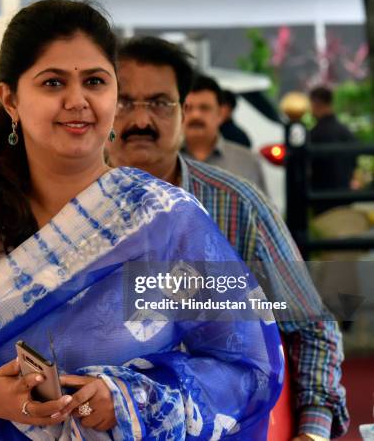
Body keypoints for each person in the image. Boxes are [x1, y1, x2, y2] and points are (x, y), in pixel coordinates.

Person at [0, 0, 283, 440]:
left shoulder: (166, 225)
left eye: (95, 81)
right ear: (10, 99)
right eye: (53, 82)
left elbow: (246, 368)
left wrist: (134, 399)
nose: (77, 101)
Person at [106, 36, 348, 441]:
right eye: (125, 102)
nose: (142, 120)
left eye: (161, 103)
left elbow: (310, 327)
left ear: (184, 111)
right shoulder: (68, 210)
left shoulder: (239, 206)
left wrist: (314, 432)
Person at [183, 75, 268, 194]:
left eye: (204, 108)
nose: (196, 115)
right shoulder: (164, 160)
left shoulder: (247, 162)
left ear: (221, 114)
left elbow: (262, 211)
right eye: (188, 108)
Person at [308, 86, 358, 193]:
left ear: (316, 103)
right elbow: (355, 159)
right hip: (344, 193)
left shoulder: (315, 134)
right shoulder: (345, 131)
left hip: (321, 195)